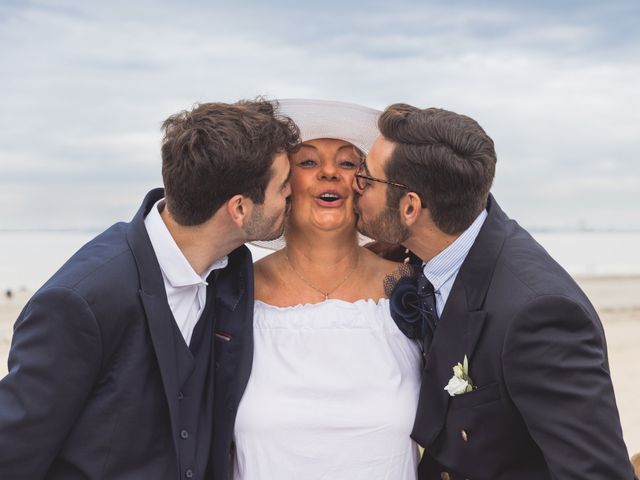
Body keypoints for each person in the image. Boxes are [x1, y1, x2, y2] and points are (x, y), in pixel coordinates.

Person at [0, 99, 299, 480]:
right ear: (238, 209)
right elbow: (11, 456)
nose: (293, 193)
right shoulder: (80, 302)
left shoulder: (230, 272)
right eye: (283, 185)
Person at [352, 104, 636, 479]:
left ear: (410, 207)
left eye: (366, 180)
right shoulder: (441, 249)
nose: (353, 185)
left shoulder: (539, 316)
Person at [229, 99, 423, 480]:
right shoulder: (234, 293)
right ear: (284, 184)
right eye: (309, 162)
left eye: (348, 163)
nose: (330, 172)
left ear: (365, 184)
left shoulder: (411, 288)